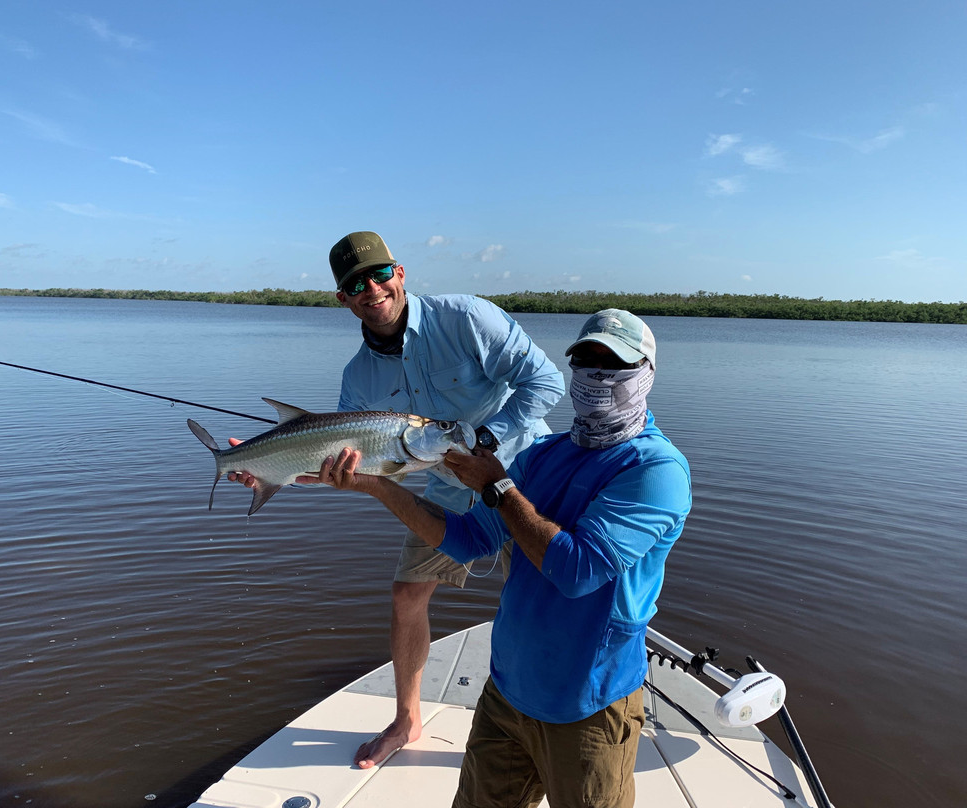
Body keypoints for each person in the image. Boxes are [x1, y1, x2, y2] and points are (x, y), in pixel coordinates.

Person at [304, 309, 691, 808]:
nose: (596, 376)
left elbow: (576, 571)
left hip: (588, 707)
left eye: (613, 364)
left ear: (646, 375)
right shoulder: (542, 457)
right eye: (585, 361)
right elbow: (465, 539)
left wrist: (497, 485)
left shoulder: (655, 469)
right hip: (506, 696)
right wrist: (375, 486)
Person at [231, 231, 564, 769]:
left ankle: (550, 720)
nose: (371, 288)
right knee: (407, 597)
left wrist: (488, 440)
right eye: (355, 284)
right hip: (446, 491)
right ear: (343, 298)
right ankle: (407, 720)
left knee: (544, 594)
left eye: (379, 274)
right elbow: (348, 468)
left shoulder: (467, 318)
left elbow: (546, 382)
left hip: (522, 475)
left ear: (400, 273)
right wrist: (273, 472)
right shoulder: (357, 378)